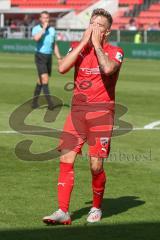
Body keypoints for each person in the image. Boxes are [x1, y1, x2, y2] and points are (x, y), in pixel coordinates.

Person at [43, 8, 124, 224]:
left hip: (101, 115)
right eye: (92, 23)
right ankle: (63, 211)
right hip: (77, 113)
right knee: (65, 159)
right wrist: (83, 42)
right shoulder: (77, 49)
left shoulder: (116, 51)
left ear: (107, 32)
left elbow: (108, 69)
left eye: (99, 25)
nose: (93, 28)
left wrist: (96, 45)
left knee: (95, 166)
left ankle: (96, 207)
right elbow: (61, 68)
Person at [31, 11, 62, 110]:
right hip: (40, 56)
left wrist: (59, 58)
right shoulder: (36, 28)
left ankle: (34, 103)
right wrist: (43, 29)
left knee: (41, 80)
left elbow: (54, 44)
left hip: (49, 57)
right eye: (44, 18)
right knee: (45, 79)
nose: (46, 20)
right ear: (40, 19)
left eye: (47, 18)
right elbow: (36, 39)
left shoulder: (52, 30)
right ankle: (50, 104)